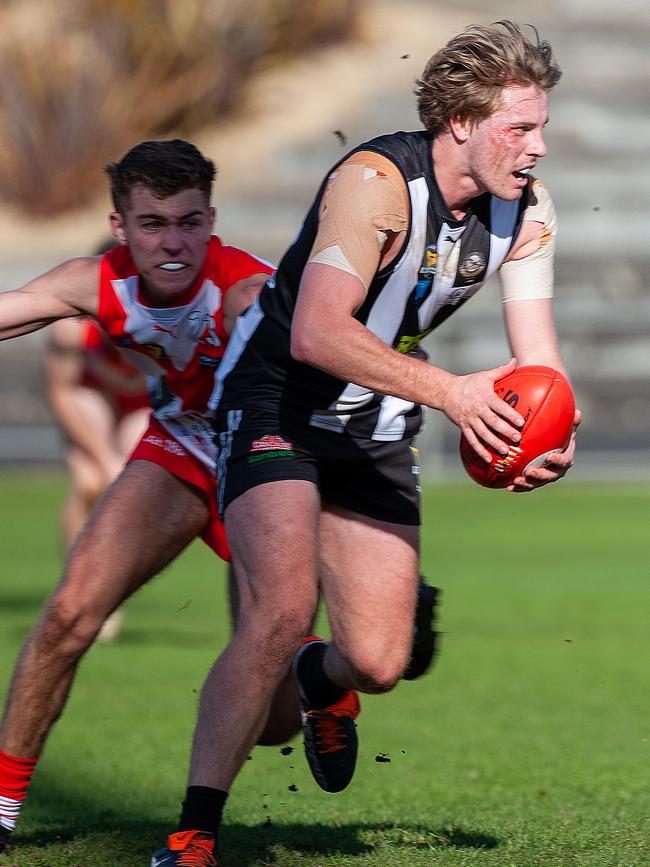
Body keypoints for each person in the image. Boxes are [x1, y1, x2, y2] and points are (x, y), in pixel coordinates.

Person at [151, 20, 581, 866]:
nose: (538, 147)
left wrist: (549, 439)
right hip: (280, 396)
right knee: (279, 608)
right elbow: (315, 333)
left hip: (378, 417)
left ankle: (320, 683)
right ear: (460, 121)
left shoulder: (528, 209)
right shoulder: (375, 180)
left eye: (541, 127)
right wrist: (456, 392)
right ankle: (193, 833)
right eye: (520, 127)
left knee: (381, 661)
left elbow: (542, 366)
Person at [0, 139, 275, 854]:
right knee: (65, 614)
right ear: (120, 227)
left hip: (264, 458)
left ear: (211, 219)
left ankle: (324, 675)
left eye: (189, 222)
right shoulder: (97, 282)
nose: (174, 241)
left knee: (277, 707)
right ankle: (0, 809)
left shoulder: (248, 289)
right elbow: (16, 307)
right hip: (182, 446)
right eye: (153, 224)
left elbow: (334, 342)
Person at [44, 247, 150, 641]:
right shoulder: (71, 327)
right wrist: (102, 456)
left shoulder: (161, 313)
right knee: (89, 482)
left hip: (142, 402)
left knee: (125, 480)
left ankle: (107, 592)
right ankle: (75, 590)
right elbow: (62, 392)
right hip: (90, 398)